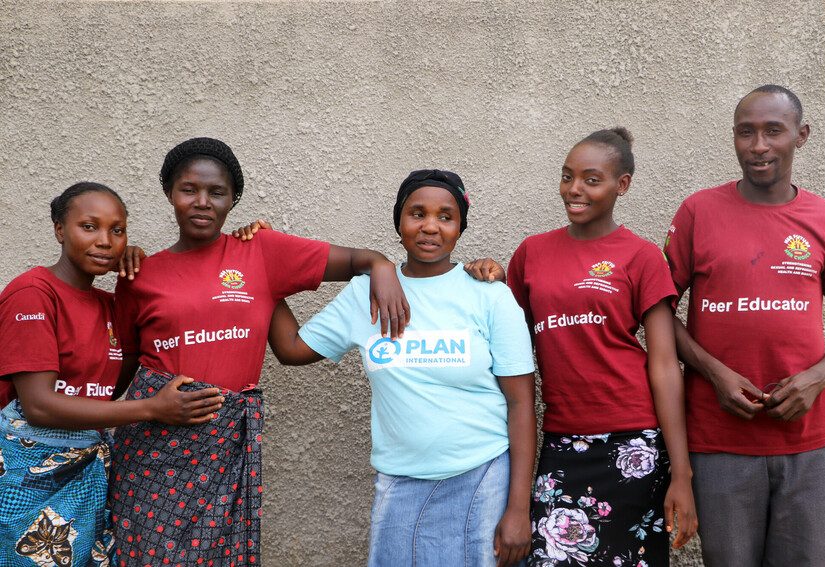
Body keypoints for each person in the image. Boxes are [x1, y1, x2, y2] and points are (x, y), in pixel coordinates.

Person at [108, 137, 409, 566]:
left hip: (225, 443)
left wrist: (381, 268)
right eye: (188, 189)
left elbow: (361, 259)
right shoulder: (139, 274)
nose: (202, 202)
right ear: (169, 194)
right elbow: (124, 370)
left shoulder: (260, 251)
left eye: (217, 192)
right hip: (153, 447)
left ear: (233, 200)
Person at [263, 169, 537, 567]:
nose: (430, 226)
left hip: (482, 478)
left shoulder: (488, 294)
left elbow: (521, 404)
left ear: (460, 226)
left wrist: (518, 508)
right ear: (399, 221)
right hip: (400, 483)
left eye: (445, 216)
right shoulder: (364, 293)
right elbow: (291, 349)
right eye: (417, 213)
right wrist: (263, 271)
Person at [664, 85, 825, 566]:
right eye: (746, 132)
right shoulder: (697, 212)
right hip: (719, 440)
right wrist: (713, 371)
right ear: (734, 138)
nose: (759, 145)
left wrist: (818, 377)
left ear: (802, 135)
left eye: (773, 131)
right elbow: (658, 310)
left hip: (811, 443)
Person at [0, 182, 222, 567]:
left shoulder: (112, 306)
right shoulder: (33, 293)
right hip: (27, 476)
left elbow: (105, 390)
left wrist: (137, 277)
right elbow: (39, 406)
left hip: (89, 472)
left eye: (117, 231)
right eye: (89, 227)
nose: (105, 241)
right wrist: (152, 408)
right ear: (59, 230)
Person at [504, 128, 697, 566]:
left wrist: (681, 473)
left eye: (592, 180)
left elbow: (666, 365)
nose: (575, 190)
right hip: (560, 440)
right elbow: (507, 343)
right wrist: (484, 278)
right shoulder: (531, 253)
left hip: (635, 445)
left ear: (621, 185)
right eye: (567, 176)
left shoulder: (642, 256)